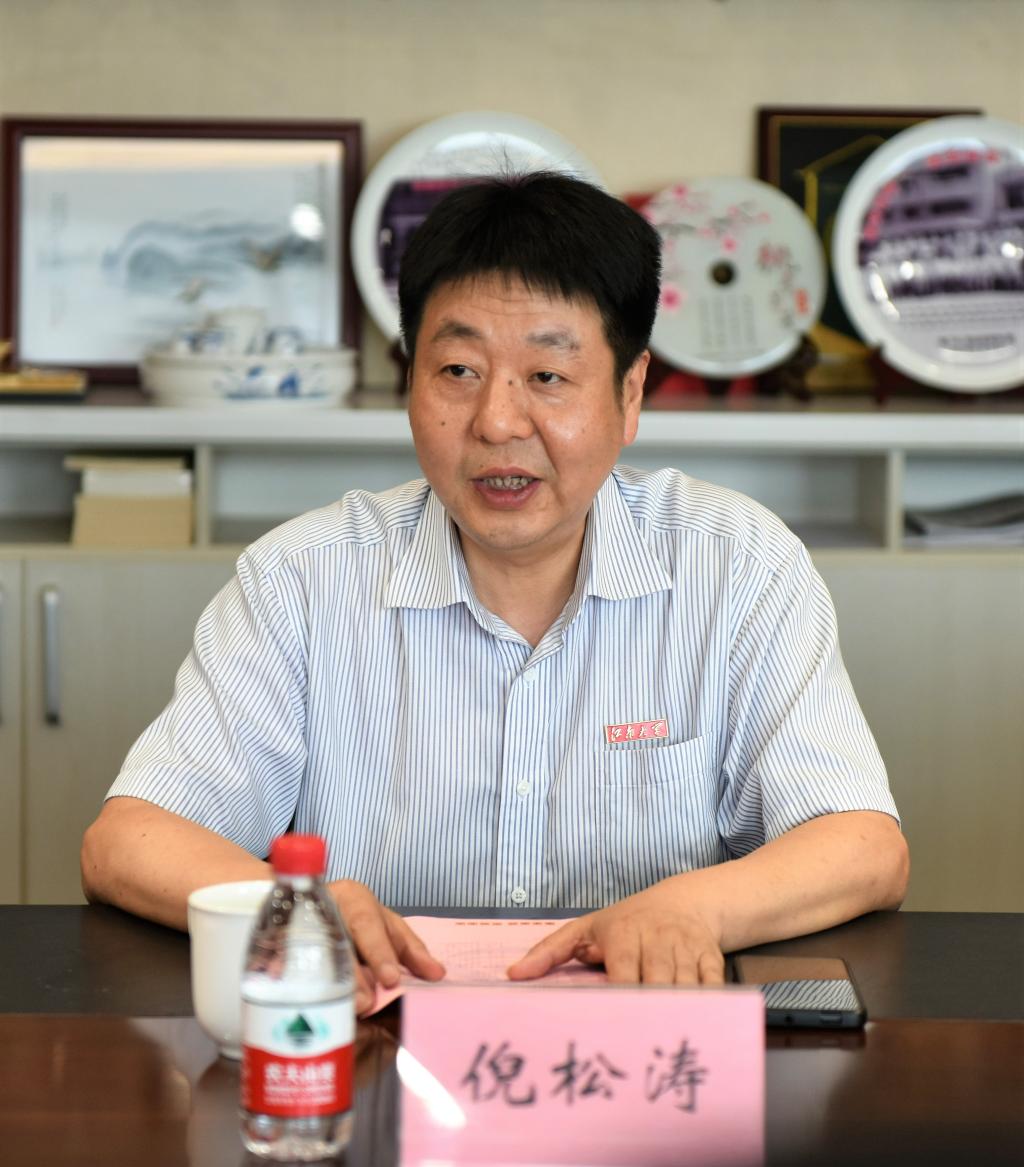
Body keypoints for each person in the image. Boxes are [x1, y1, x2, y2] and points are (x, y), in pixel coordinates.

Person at [82, 172, 908, 1015]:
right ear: (411, 379)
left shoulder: (737, 565)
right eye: (458, 369)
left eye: (547, 375)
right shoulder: (302, 578)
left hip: (641, 1045)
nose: (497, 422)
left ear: (629, 394)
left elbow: (861, 843)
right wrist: (296, 908)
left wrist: (694, 908)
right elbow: (128, 840)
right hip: (374, 1047)